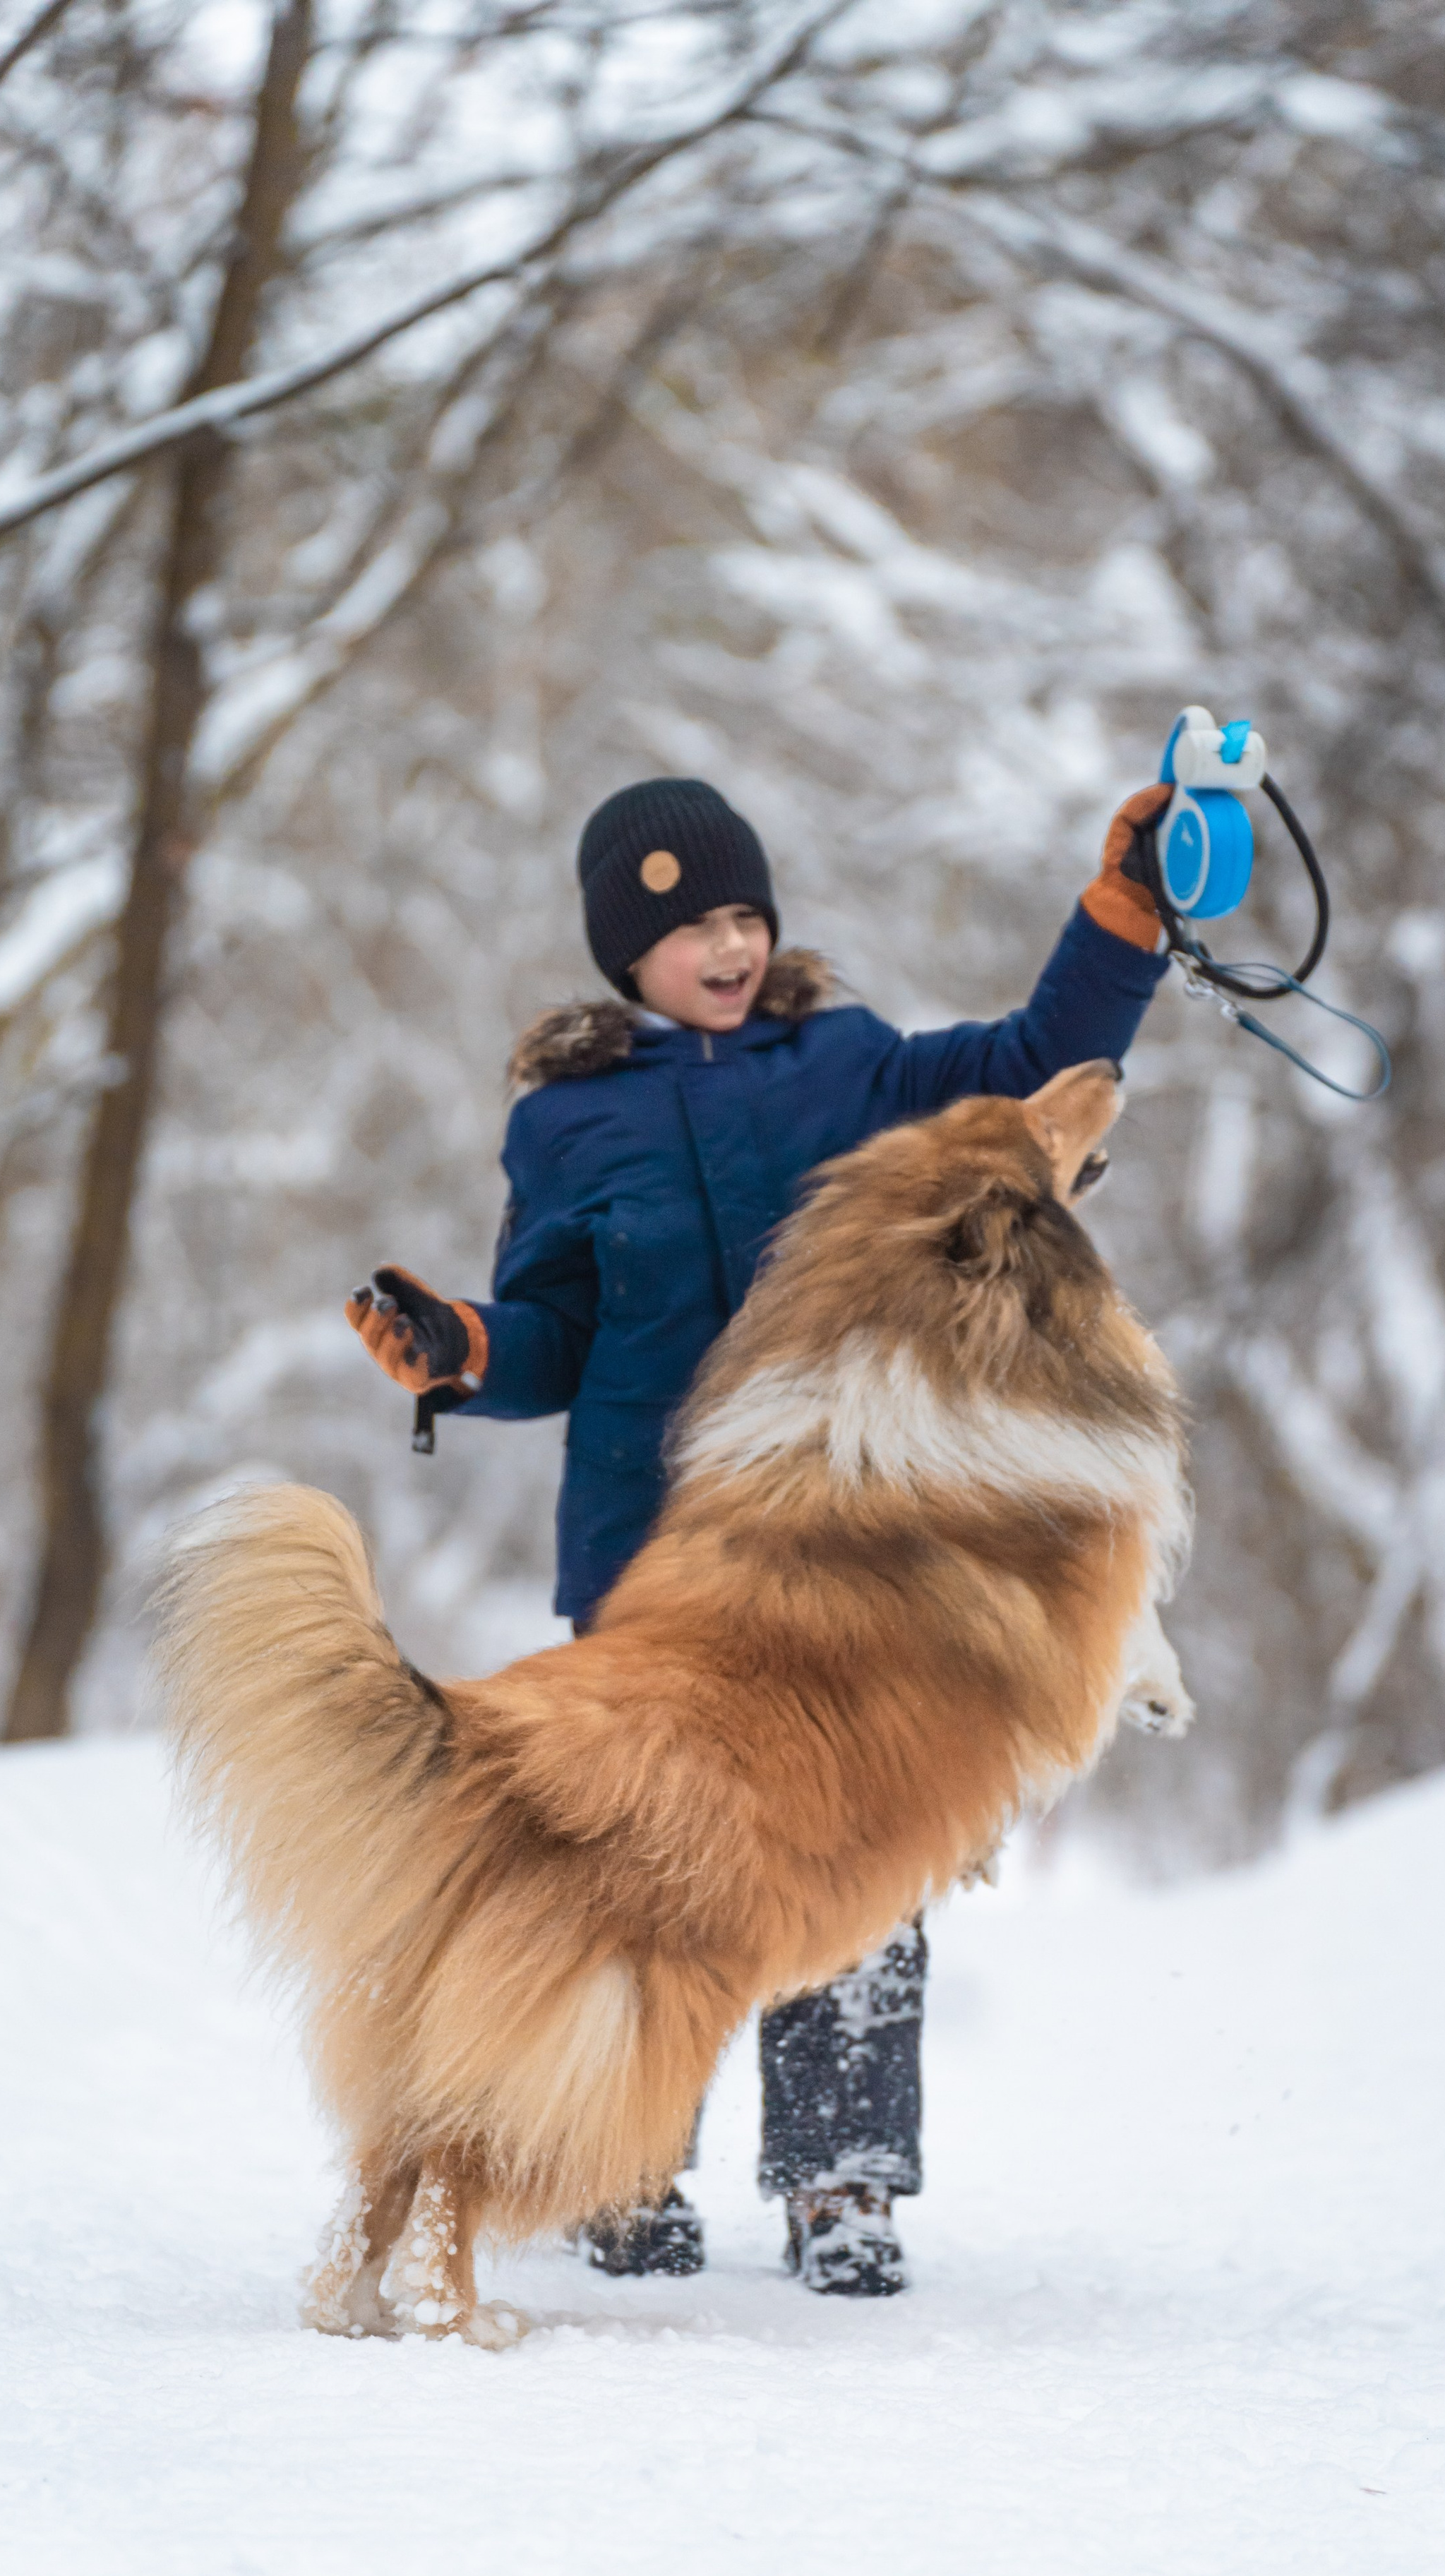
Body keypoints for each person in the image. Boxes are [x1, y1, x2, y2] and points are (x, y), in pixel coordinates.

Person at [347, 773, 1172, 2294]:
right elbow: (553, 1329)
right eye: (689, 931)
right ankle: (621, 2167)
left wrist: (1120, 922)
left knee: (862, 1858)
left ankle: (842, 2183)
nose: (728, 948)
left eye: (745, 915)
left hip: (848, 1551)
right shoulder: (565, 1122)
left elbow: (1029, 1072)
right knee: (640, 1868)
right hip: (655, 1557)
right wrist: (462, 1349)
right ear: (625, 956)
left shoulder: (846, 1066)